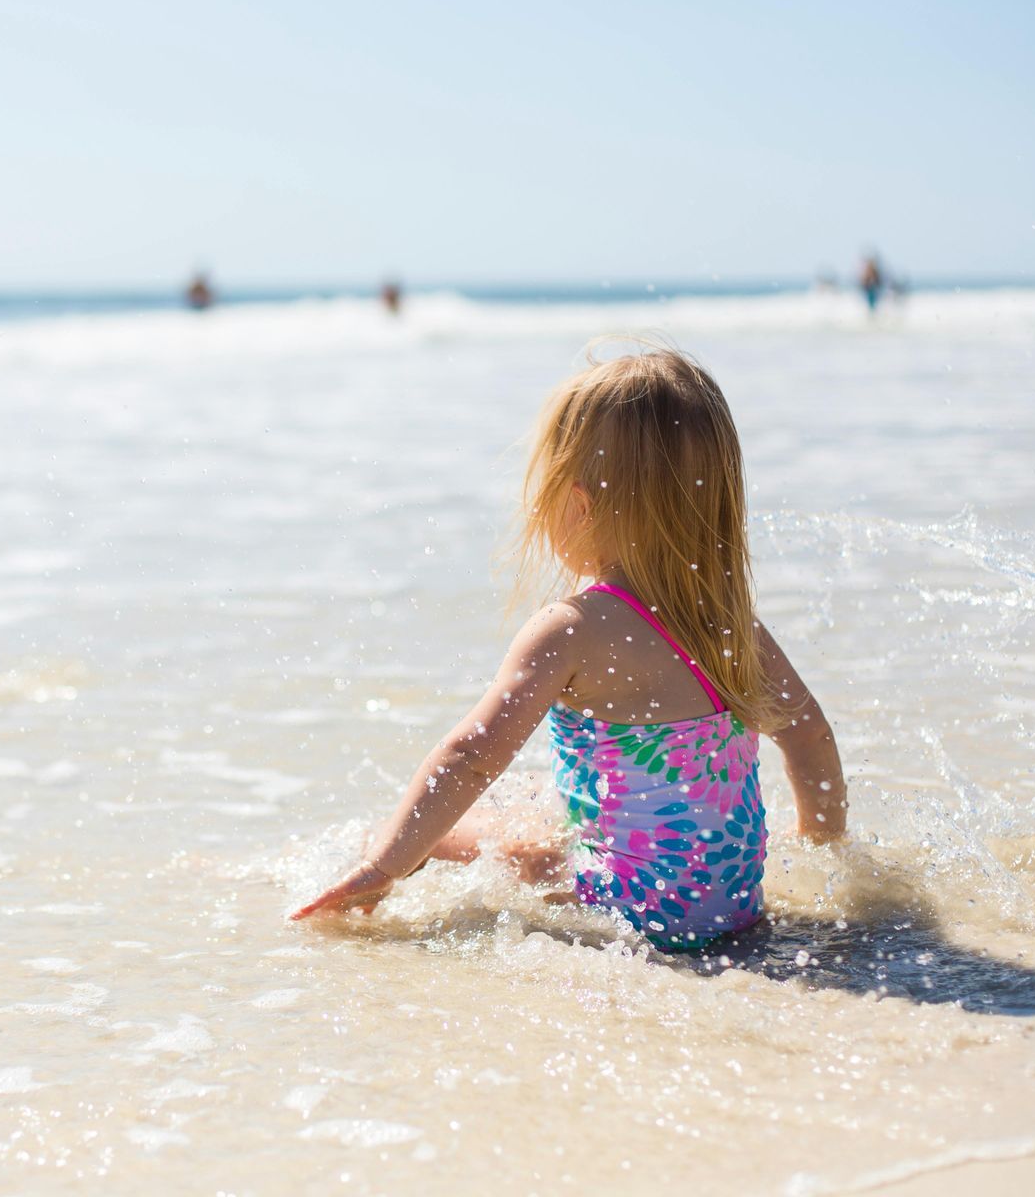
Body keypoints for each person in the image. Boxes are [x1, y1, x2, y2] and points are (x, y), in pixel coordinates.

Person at [291, 347, 847, 951]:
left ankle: (337, 871)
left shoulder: (572, 628)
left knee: (447, 836)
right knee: (536, 796)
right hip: (731, 912)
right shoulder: (734, 626)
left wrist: (386, 865)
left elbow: (470, 756)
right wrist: (823, 851)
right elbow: (809, 735)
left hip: (626, 913)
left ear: (577, 504)